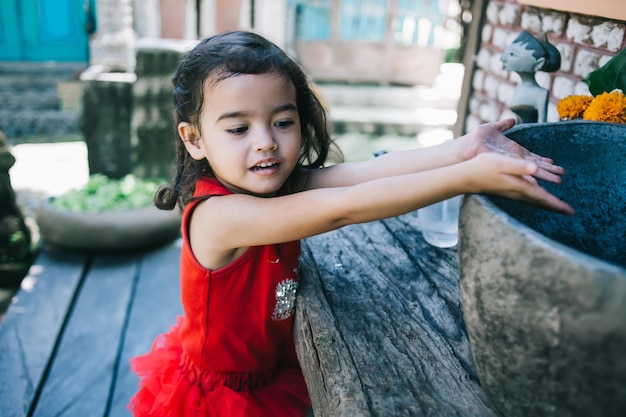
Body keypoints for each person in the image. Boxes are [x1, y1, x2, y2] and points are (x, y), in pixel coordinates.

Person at [128, 31, 573, 417]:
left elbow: (366, 173)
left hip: (271, 364)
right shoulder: (219, 216)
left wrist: (464, 149)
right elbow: (344, 206)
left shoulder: (277, 184)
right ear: (195, 138)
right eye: (239, 129)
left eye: (283, 122)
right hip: (224, 394)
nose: (266, 142)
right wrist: (466, 178)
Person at [500, 31, 561, 123]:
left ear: (539, 64)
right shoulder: (519, 87)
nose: (502, 58)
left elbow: (541, 125)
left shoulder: (541, 94)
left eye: (512, 54)